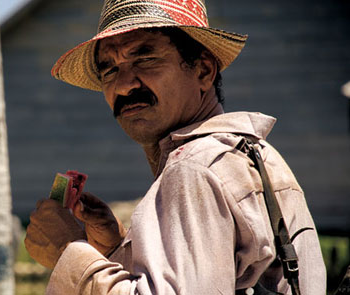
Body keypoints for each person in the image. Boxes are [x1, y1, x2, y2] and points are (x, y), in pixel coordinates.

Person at [24, 0, 327, 293]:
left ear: (203, 71)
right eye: (110, 70)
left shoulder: (194, 168)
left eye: (145, 59)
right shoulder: (250, 151)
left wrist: (68, 251)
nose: (124, 85)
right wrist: (116, 248)